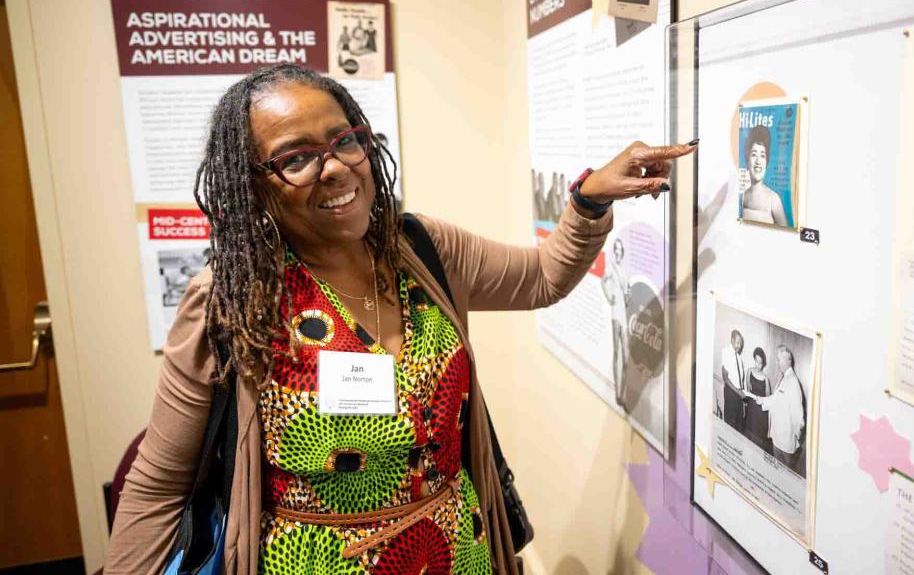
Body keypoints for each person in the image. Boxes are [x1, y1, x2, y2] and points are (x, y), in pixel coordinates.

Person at [105, 63, 696, 574]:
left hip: (457, 550)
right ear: (252, 187)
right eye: (294, 159)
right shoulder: (231, 299)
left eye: (344, 140)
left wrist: (588, 199)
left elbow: (542, 277)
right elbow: (158, 487)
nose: (332, 168)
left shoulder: (422, 249)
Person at [748, 344, 805, 473]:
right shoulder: (783, 378)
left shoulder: (793, 382)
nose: (777, 363)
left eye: (779, 360)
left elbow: (799, 419)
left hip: (785, 442)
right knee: (778, 474)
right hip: (777, 437)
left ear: (786, 361)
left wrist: (796, 439)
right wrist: (761, 400)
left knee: (786, 476)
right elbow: (775, 399)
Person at [740, 125, 789, 227]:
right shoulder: (743, 196)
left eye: (762, 155)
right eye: (754, 154)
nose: (758, 161)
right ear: (747, 160)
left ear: (767, 162)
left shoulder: (774, 200)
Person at [602, 239, 630, 408]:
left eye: (620, 249)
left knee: (626, 359)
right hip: (615, 315)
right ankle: (618, 395)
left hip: (624, 315)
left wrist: (627, 296)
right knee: (616, 353)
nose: (618, 252)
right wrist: (608, 296)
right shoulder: (610, 268)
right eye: (616, 249)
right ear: (614, 251)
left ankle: (622, 394)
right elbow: (602, 281)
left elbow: (625, 293)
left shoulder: (624, 272)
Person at [743, 347, 772, 453]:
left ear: (763, 363)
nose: (758, 365)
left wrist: (761, 399)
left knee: (758, 443)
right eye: (756, 361)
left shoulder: (766, 379)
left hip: (761, 413)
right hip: (751, 409)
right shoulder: (749, 371)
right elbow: (748, 390)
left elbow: (768, 399)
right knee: (749, 439)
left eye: (760, 363)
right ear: (754, 359)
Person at [720, 329, 746, 432]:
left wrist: (743, 402)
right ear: (732, 340)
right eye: (737, 342)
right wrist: (738, 392)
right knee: (729, 429)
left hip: (739, 396)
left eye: (740, 344)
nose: (739, 346)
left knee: (738, 429)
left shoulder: (739, 358)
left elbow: (740, 382)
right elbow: (725, 377)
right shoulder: (726, 351)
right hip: (731, 394)